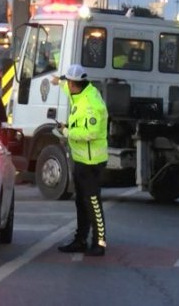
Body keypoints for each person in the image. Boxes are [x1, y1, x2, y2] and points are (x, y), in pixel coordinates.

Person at [52, 64, 109, 257]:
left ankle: (99, 242)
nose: (66, 85)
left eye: (68, 82)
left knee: (93, 202)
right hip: (82, 160)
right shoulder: (80, 93)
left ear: (74, 84)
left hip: (92, 162)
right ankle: (80, 240)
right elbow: (67, 89)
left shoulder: (91, 103)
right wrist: (57, 81)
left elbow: (91, 132)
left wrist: (67, 131)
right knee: (82, 202)